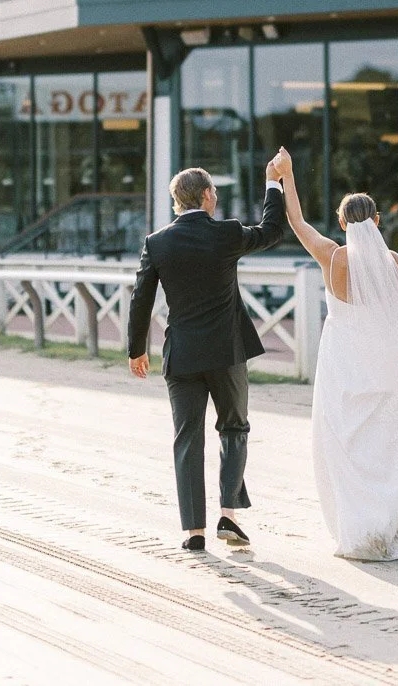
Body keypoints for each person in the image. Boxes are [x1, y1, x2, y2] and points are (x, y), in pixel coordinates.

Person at [272, 147, 398, 561]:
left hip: (344, 367)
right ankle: (391, 525)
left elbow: (295, 221)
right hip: (386, 367)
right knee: (389, 448)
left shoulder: (332, 258)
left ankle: (359, 530)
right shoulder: (393, 262)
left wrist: (287, 176)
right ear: (378, 221)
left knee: (347, 449)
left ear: (341, 222)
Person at [127, 160, 288, 552]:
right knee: (233, 429)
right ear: (204, 196)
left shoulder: (157, 242)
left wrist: (136, 351)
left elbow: (140, 300)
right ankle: (228, 515)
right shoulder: (227, 234)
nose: (216, 197)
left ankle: (193, 532)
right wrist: (272, 183)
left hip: (181, 356)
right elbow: (272, 231)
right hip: (226, 352)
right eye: (214, 191)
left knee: (187, 439)